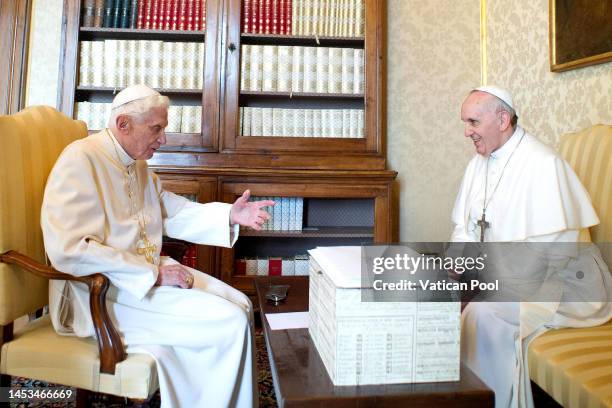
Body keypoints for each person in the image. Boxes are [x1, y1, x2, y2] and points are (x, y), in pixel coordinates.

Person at [41, 84, 274, 407]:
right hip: (101, 292)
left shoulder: (135, 163)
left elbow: (168, 210)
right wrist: (154, 274)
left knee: (242, 305)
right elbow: (69, 250)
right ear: (123, 124)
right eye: (156, 128)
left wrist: (230, 215)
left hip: (140, 279)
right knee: (229, 322)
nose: (163, 138)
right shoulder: (80, 160)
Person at [451, 86, 612, 407]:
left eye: (473, 122)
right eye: (465, 123)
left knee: (484, 314)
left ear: (502, 119)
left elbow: (552, 253)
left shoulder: (543, 164)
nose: (467, 132)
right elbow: (465, 228)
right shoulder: (478, 164)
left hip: (563, 285)